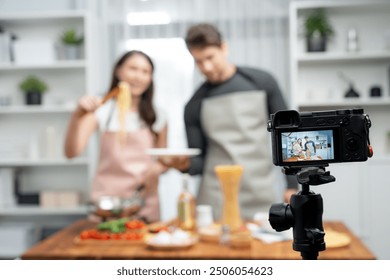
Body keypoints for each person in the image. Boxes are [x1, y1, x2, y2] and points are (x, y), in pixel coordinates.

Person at [166, 23, 298, 220]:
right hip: (215, 196)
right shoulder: (194, 104)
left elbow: (288, 135)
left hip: (259, 190)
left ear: (224, 48)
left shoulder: (262, 83)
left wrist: (292, 185)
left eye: (210, 57)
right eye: (198, 61)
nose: (206, 67)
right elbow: (199, 162)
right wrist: (182, 164)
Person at [64, 50, 167, 223]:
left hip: (145, 202)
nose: (139, 77)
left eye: (145, 72)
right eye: (133, 69)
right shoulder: (101, 111)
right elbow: (71, 152)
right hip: (107, 205)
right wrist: (77, 116)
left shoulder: (157, 115)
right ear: (119, 71)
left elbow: (164, 159)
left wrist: (158, 168)